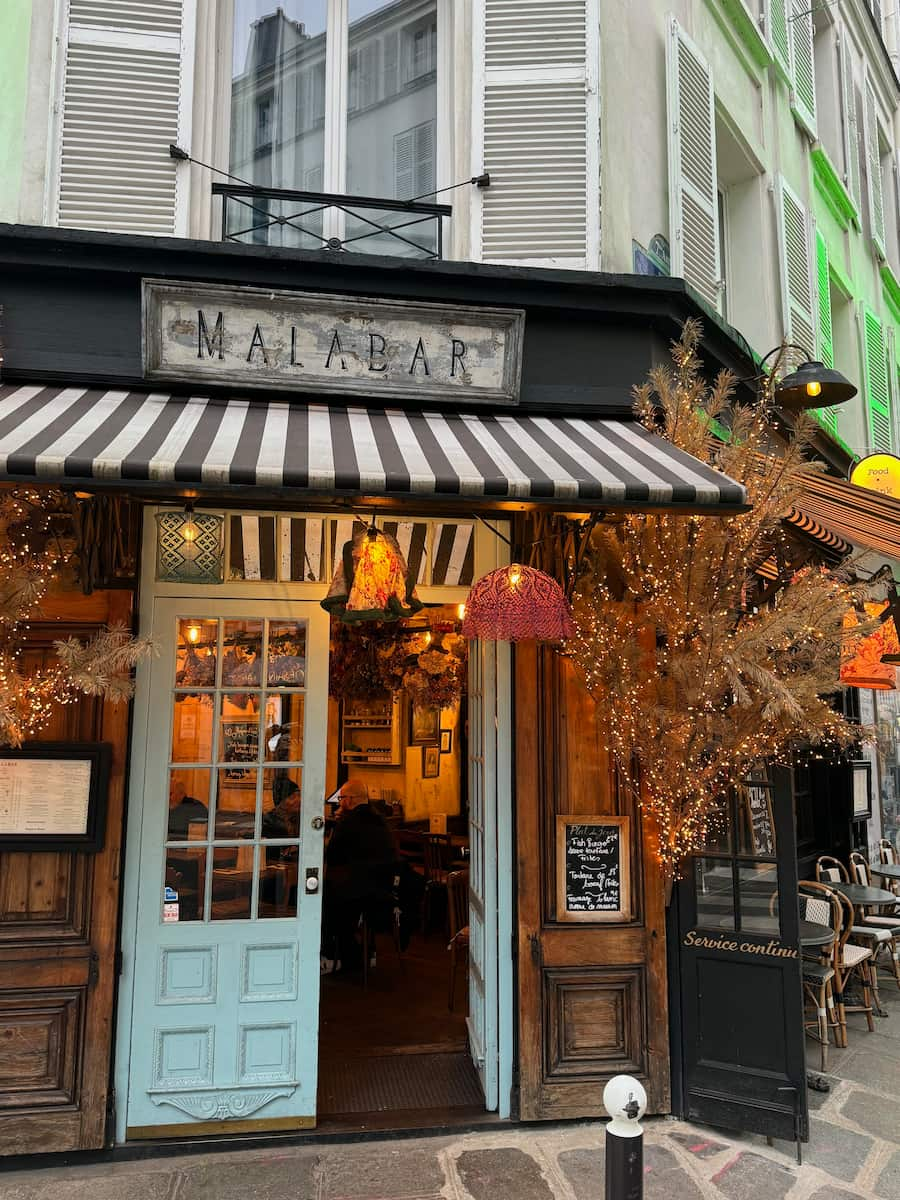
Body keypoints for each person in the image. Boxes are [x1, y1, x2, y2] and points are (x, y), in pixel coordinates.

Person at [321, 779, 397, 973]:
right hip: (384, 891)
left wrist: (334, 831)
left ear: (351, 800)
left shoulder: (347, 823)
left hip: (357, 891)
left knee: (323, 900)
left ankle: (333, 956)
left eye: (341, 798)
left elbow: (332, 856)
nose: (339, 803)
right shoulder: (381, 820)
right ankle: (366, 952)